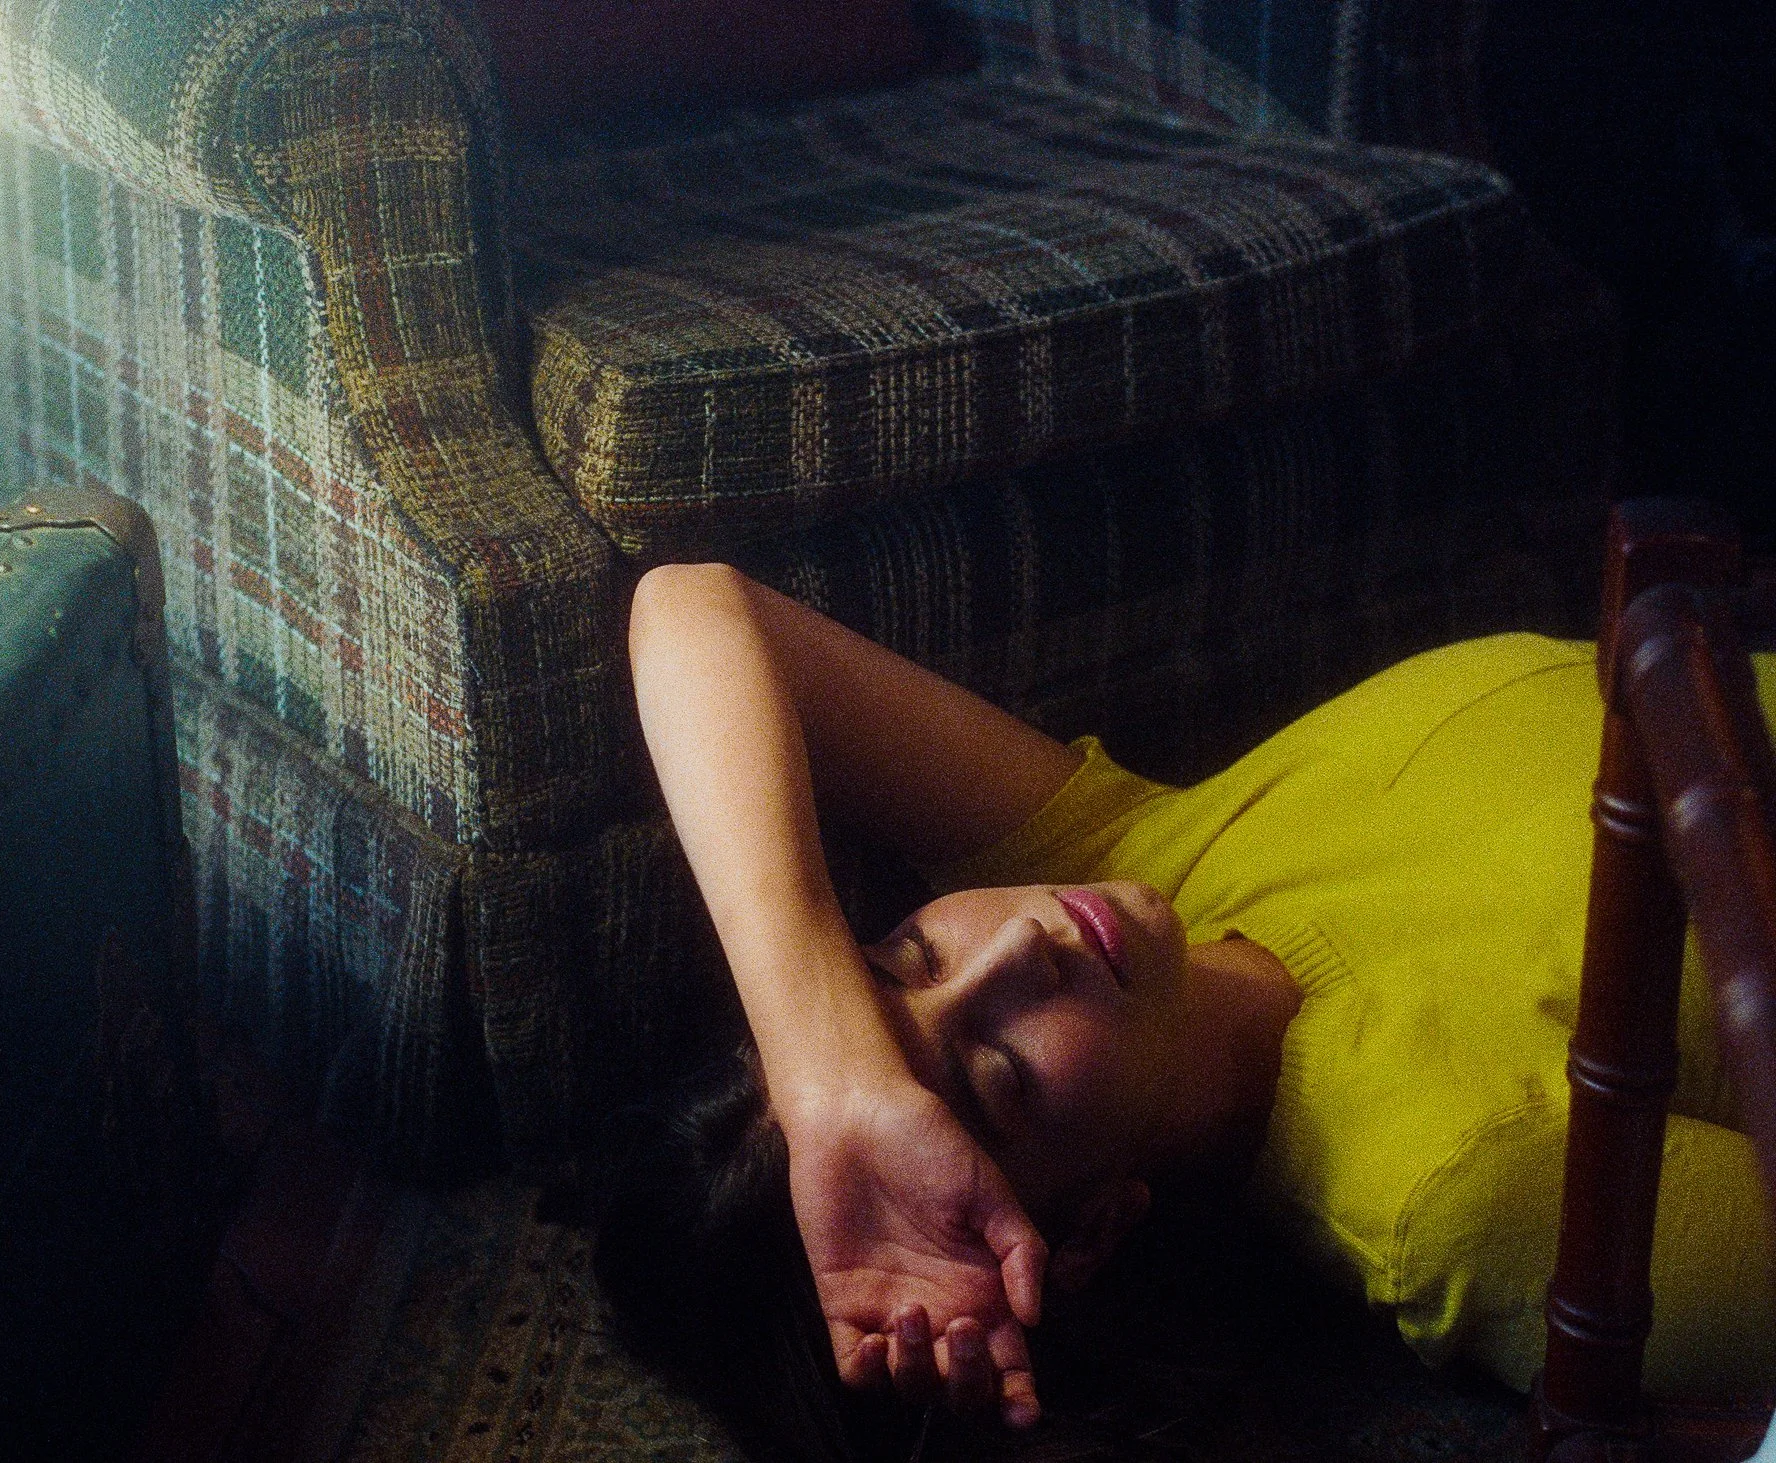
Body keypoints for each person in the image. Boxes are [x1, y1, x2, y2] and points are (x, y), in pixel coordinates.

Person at [593, 561, 1776, 1463]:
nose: (1019, 943)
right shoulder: (1455, 1188)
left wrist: (833, 1077)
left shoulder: (1136, 854)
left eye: (904, 953)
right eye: (998, 1072)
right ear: (1096, 1229)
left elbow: (693, 603)